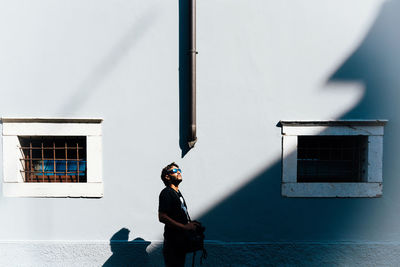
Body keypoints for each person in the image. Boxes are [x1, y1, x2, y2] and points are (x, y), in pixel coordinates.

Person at [158, 162, 199, 267]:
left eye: (179, 170)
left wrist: (190, 224)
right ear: (167, 176)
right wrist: (184, 226)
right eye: (175, 171)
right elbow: (162, 217)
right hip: (173, 244)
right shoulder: (166, 192)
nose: (179, 173)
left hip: (180, 242)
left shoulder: (177, 193)